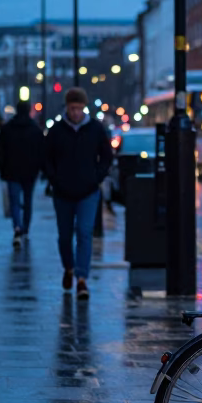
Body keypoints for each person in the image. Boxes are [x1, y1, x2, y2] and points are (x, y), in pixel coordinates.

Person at [45, 87, 113, 298]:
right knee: (64, 236)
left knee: (84, 233)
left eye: (79, 108)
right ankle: (69, 268)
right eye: (72, 108)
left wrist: (96, 177)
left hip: (88, 192)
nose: (75, 112)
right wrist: (55, 180)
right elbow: (46, 158)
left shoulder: (95, 129)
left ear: (84, 108)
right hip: (62, 192)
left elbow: (107, 156)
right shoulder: (57, 131)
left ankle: (82, 278)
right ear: (67, 107)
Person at [0, 100, 45, 247]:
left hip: (12, 170)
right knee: (27, 200)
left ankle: (17, 226)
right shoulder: (35, 129)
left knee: (14, 201)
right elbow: (41, 152)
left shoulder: (7, 129)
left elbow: (0, 150)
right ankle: (25, 228)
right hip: (30, 171)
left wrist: (1, 168)